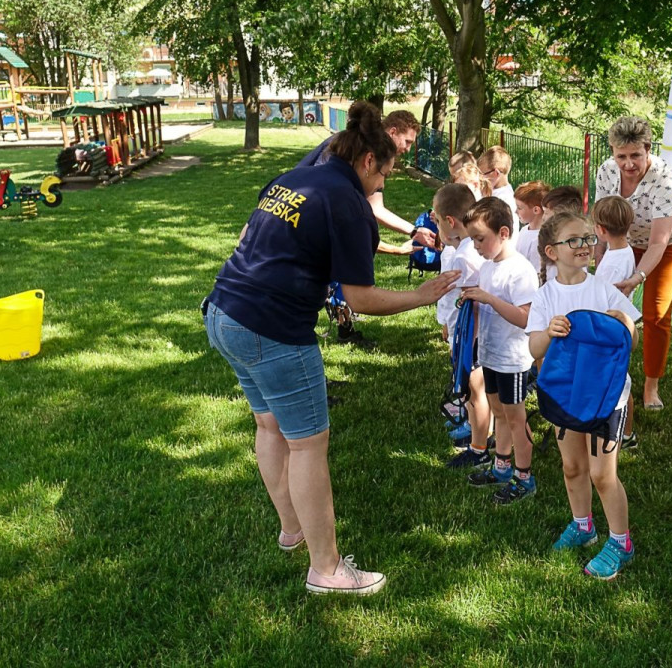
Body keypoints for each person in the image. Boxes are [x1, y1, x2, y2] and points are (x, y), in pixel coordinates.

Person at [203, 101, 457, 596]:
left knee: (269, 424)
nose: (382, 186)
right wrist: (420, 296)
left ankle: (292, 529)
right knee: (308, 445)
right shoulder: (346, 200)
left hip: (224, 312)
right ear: (367, 162)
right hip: (271, 327)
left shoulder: (294, 178)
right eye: (384, 174)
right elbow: (359, 299)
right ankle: (327, 568)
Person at [528, 211, 640, 579]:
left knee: (602, 475)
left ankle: (621, 542)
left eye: (589, 239)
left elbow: (631, 339)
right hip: (565, 396)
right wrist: (549, 332)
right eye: (573, 240)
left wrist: (620, 321)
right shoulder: (545, 296)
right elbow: (534, 349)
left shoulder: (604, 289)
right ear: (551, 251)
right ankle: (583, 525)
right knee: (572, 467)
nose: (584, 246)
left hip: (606, 397)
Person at [596, 117, 672, 412]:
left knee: (655, 315)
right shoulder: (606, 172)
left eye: (635, 155)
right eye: (621, 156)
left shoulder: (663, 179)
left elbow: (659, 242)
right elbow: (601, 222)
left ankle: (651, 385)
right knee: (608, 308)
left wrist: (638, 276)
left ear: (648, 149)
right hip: (622, 242)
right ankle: (606, 372)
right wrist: (599, 267)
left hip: (665, 246)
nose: (628, 163)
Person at [460, 197, 539, 504]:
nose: (476, 246)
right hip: (492, 354)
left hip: (514, 359)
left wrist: (489, 299)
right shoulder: (488, 266)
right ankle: (502, 465)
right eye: (473, 240)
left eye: (480, 238)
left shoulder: (520, 270)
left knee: (516, 418)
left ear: (504, 232)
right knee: (499, 413)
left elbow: (526, 317)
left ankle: (524, 476)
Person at [297, 109, 437, 254]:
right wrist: (393, 249)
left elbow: (376, 208)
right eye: (407, 142)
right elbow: (319, 195)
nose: (408, 149)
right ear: (393, 132)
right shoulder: (350, 144)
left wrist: (414, 231)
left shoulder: (377, 156)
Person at [432, 182, 492, 468]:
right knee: (471, 390)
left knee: (475, 389)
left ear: (451, 222)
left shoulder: (465, 257)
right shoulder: (466, 249)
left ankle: (479, 447)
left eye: (437, 219)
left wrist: (466, 342)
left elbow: (472, 304)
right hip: (468, 336)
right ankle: (475, 430)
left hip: (472, 337)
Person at [591, 195, 638, 449]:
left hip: (609, 328)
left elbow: (603, 300)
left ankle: (622, 432)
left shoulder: (612, 263)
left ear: (601, 230)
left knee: (618, 383)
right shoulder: (624, 251)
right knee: (622, 381)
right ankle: (627, 433)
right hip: (617, 324)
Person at [479, 145, 519, 233]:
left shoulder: (504, 200)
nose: (480, 178)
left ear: (495, 173)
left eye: (482, 174)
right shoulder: (492, 191)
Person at [514, 180, 550, 273]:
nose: (516, 211)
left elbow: (537, 271)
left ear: (536, 210)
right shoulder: (524, 230)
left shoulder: (543, 238)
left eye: (519, 208)